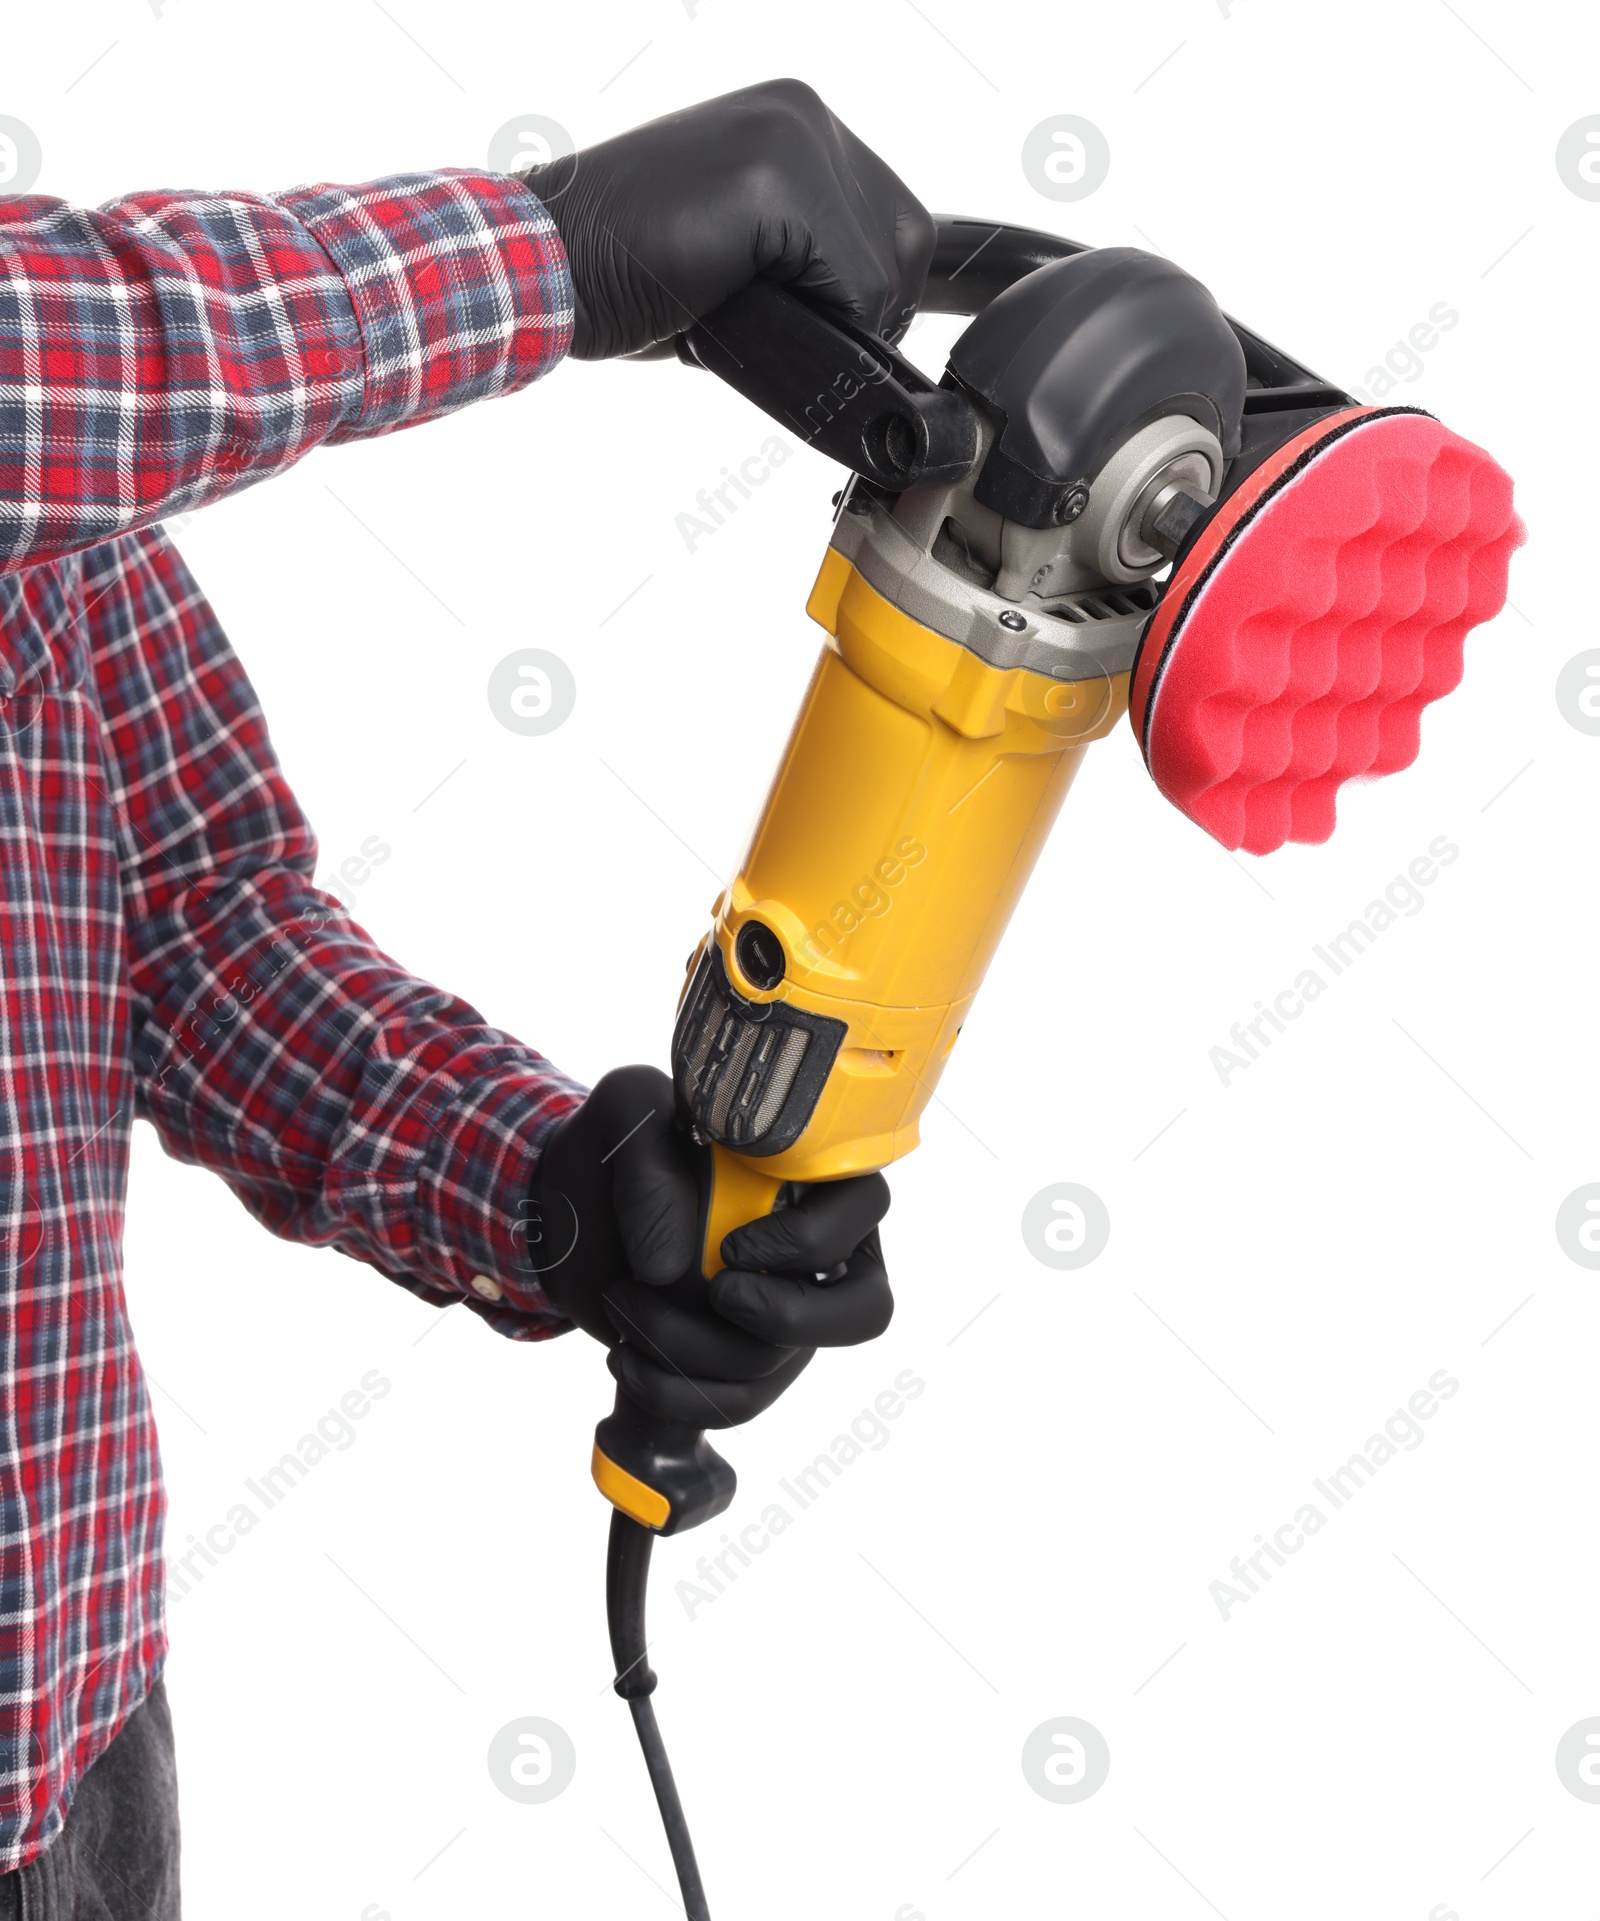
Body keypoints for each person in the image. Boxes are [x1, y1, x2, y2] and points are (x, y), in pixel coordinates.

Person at [0, 80, 931, 1916]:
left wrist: (541, 1187)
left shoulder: (52, 520)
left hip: (72, 1729)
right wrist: (552, 250)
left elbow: (190, 918)